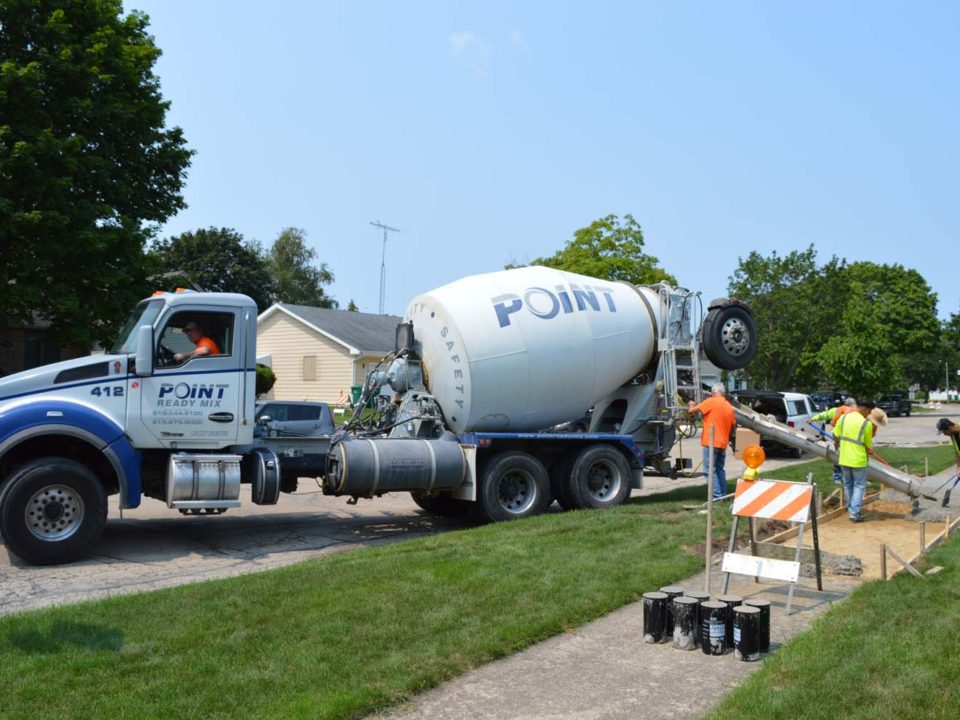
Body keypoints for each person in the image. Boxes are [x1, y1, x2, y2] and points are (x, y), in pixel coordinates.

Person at [688, 384, 737, 500]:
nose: (710, 394)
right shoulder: (728, 406)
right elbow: (733, 427)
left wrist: (691, 403)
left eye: (711, 392)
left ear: (714, 392)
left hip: (711, 442)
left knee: (709, 470)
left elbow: (692, 411)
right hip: (722, 443)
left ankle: (716, 496)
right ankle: (723, 494)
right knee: (719, 469)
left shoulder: (711, 401)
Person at [834, 398, 875, 523]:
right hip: (858, 459)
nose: (869, 414)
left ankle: (851, 508)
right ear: (863, 408)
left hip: (844, 458)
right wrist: (870, 451)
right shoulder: (866, 424)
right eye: (869, 411)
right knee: (859, 486)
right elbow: (868, 445)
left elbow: (836, 434)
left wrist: (837, 444)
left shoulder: (844, 418)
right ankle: (855, 513)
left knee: (848, 484)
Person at [811, 397, 857, 483]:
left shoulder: (837, 410)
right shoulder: (851, 412)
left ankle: (842, 477)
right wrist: (813, 419)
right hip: (843, 439)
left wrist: (813, 419)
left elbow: (824, 415)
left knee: (841, 458)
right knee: (843, 459)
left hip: (842, 439)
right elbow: (824, 415)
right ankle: (840, 477)